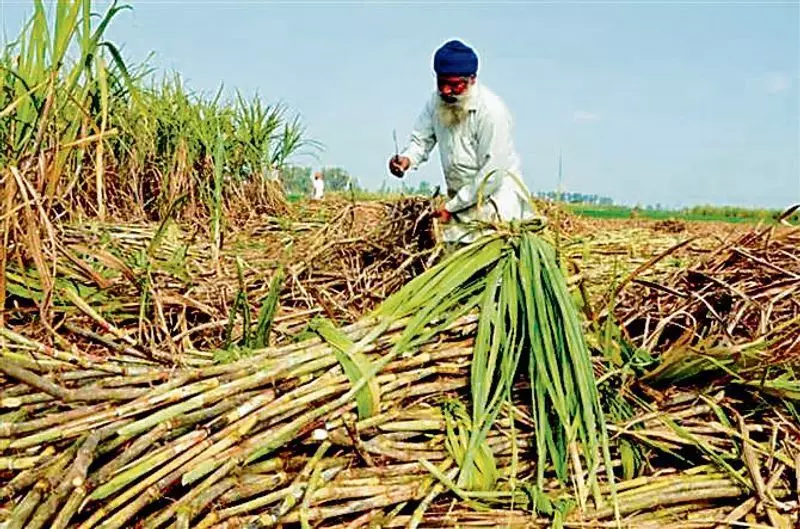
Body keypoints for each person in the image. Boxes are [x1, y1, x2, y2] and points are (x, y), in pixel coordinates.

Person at [388, 39, 535, 244]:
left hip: (495, 209)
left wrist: (451, 207)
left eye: (455, 85)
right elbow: (421, 140)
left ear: (472, 80)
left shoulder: (492, 112)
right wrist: (406, 159)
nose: (446, 91)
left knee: (489, 270)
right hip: (460, 206)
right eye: (442, 83)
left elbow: (492, 175)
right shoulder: (436, 102)